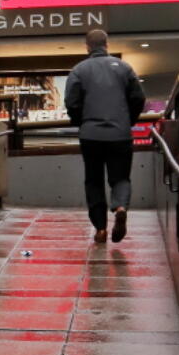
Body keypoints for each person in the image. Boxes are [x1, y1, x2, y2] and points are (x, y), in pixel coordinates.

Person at [64, 29, 145, 243]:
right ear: (107, 44)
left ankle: (100, 229)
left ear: (87, 47)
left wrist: (82, 122)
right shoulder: (125, 68)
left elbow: (71, 103)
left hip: (91, 136)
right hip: (120, 134)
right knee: (120, 177)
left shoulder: (79, 70)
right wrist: (128, 120)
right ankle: (120, 207)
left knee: (94, 180)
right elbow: (138, 97)